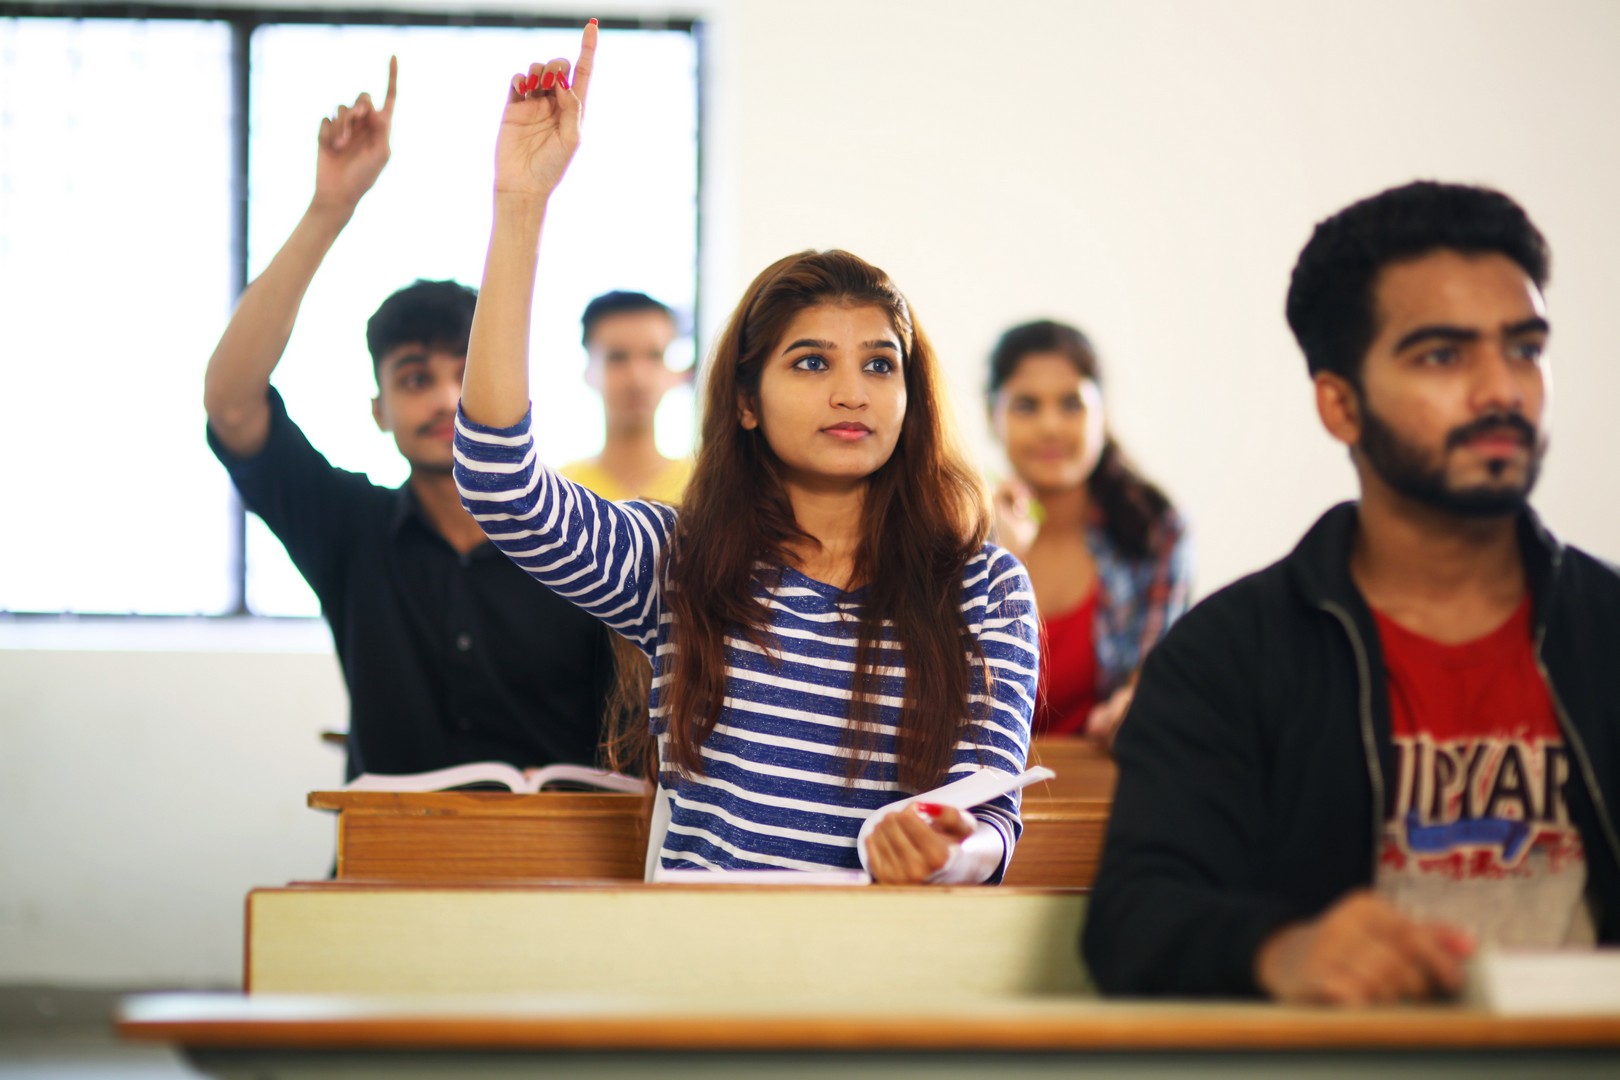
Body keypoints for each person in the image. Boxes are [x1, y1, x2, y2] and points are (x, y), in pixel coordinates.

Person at [452, 22, 1039, 884]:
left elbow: (992, 816)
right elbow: (501, 484)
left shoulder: (981, 585)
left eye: (880, 364)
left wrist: (945, 848)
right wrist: (521, 207)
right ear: (745, 402)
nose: (853, 393)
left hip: (892, 979)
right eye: (812, 362)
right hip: (706, 976)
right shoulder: (681, 560)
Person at [1082, 180, 1620, 1003]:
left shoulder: (1609, 630)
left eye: (1524, 348)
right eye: (1443, 355)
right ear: (1339, 405)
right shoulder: (1227, 657)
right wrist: (1280, 949)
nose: (1502, 390)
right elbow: (1133, 920)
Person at [203, 58, 615, 780]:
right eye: (416, 378)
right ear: (379, 410)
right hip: (380, 867)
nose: (447, 400)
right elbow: (232, 402)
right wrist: (329, 207)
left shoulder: (583, 543)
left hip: (557, 878)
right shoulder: (349, 530)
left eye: (466, 374)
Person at [988, 321, 1190, 745]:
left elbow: (1154, 681)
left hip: (1106, 788)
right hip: (979, 794)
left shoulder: (1153, 532)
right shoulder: (959, 533)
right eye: (1026, 406)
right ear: (994, 418)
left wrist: (1137, 704)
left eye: (1071, 404)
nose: (1050, 427)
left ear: (1103, 414)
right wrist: (998, 557)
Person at [560, 290, 692, 503]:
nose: (637, 379)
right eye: (618, 357)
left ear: (673, 372)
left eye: (654, 356)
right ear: (588, 372)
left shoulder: (706, 488)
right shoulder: (561, 494)